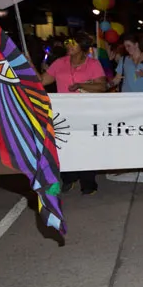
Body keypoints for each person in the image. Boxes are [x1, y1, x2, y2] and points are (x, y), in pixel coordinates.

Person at [38, 32, 106, 195]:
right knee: (64, 146)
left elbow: (102, 86)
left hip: (86, 113)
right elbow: (41, 81)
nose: (69, 45)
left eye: (73, 43)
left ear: (82, 46)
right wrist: (29, 66)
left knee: (85, 147)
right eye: (67, 42)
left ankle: (88, 182)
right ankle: (69, 178)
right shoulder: (59, 63)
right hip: (63, 113)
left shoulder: (93, 64)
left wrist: (81, 85)